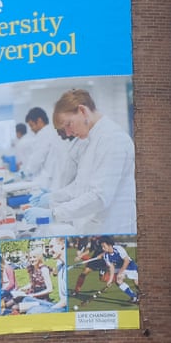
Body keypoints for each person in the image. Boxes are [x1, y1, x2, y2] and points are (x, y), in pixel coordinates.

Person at [31, 89, 136, 234]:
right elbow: (81, 185)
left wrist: (55, 214)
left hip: (112, 230)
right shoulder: (90, 140)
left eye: (69, 124)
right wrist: (53, 197)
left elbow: (99, 197)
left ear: (82, 111)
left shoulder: (112, 139)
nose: (67, 133)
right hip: (92, 228)